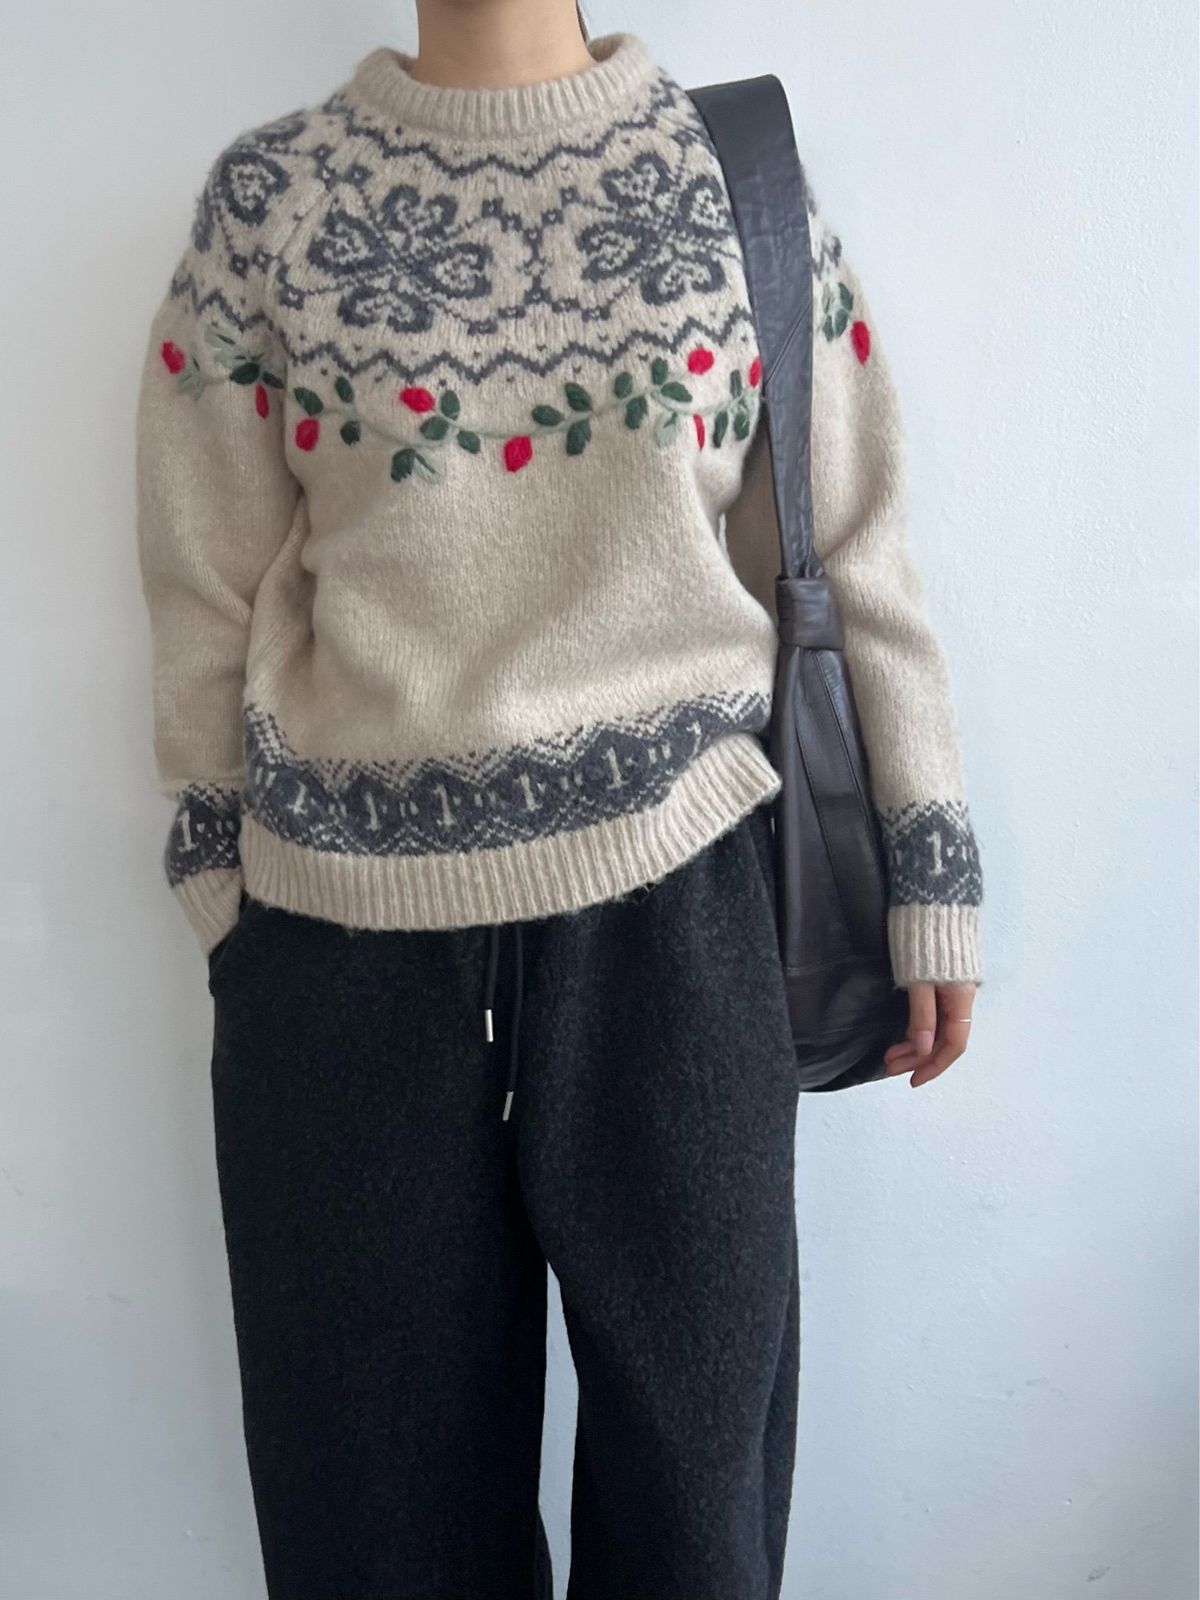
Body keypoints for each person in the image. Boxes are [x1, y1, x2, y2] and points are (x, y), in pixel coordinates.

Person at [134, 3, 984, 1595]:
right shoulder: (272, 205)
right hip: (340, 955)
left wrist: (927, 862)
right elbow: (202, 583)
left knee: (696, 1516)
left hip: (683, 926)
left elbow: (851, 540)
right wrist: (223, 895)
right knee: (370, 1528)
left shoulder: (733, 181)